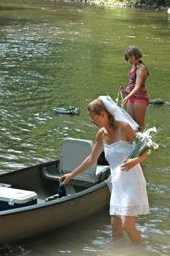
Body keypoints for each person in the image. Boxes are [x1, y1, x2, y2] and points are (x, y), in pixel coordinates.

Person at [60, 95, 149, 242]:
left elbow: (145, 149)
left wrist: (136, 160)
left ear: (103, 114)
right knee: (116, 230)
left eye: (93, 117)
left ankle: (141, 254)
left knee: (127, 225)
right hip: (116, 183)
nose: (91, 121)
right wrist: (71, 175)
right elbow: (92, 159)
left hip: (132, 181)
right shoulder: (101, 134)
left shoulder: (124, 128)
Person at [120, 46, 150, 130]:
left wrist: (127, 97)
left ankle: (143, 142)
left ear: (135, 56)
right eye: (127, 57)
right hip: (132, 98)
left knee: (139, 126)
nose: (128, 60)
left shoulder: (141, 68)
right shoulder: (134, 66)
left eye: (129, 57)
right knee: (131, 124)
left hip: (140, 98)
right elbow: (132, 84)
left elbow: (138, 86)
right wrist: (126, 91)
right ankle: (133, 142)